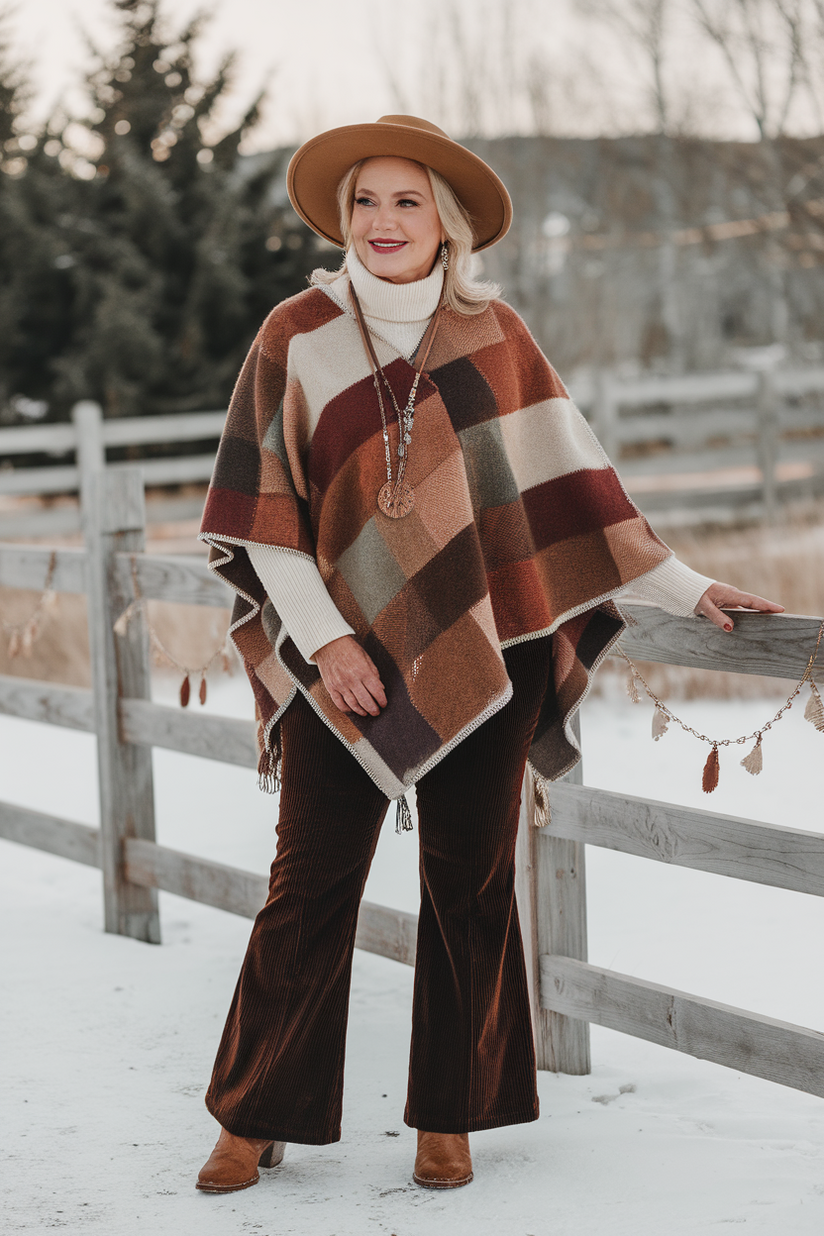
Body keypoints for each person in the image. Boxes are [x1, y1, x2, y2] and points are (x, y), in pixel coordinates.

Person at [195, 115, 782, 1194]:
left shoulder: (493, 334)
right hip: (340, 668)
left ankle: (448, 1115)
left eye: (405, 201)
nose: (381, 221)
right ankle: (253, 1111)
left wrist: (686, 586)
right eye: (364, 201)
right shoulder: (296, 333)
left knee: (467, 884)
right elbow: (264, 519)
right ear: (342, 215)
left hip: (489, 653)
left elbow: (578, 495)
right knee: (308, 883)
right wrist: (326, 644)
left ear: (446, 224)